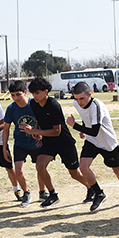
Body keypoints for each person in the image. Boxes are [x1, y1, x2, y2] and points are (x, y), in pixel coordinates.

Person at [21, 77, 89, 208]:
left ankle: (92, 189)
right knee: (40, 165)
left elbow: (57, 131)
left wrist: (35, 131)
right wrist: (37, 132)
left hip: (64, 142)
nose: (35, 96)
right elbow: (38, 119)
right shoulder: (34, 104)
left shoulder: (53, 105)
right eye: (33, 93)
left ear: (46, 91)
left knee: (74, 174)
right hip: (49, 142)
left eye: (38, 93)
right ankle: (53, 194)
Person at [67, 82, 119, 211]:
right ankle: (99, 193)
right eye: (76, 99)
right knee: (83, 167)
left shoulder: (97, 106)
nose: (79, 102)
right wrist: (83, 129)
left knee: (117, 169)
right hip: (92, 141)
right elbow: (88, 121)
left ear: (90, 94)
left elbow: (95, 130)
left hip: (107, 142)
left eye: (82, 98)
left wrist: (75, 126)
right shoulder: (76, 104)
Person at [2, 80, 47, 208]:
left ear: (25, 92)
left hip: (36, 142)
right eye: (12, 95)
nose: (15, 98)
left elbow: (42, 120)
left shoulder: (35, 104)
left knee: (40, 168)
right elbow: (6, 129)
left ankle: (42, 192)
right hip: (20, 143)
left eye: (18, 94)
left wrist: (40, 134)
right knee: (18, 170)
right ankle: (26, 193)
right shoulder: (11, 108)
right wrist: (4, 148)